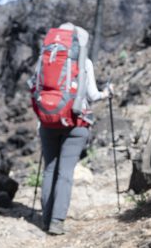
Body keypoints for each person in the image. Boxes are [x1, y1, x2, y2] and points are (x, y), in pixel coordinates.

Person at [33, 23, 112, 235]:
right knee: (65, 172)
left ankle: (45, 218)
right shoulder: (83, 62)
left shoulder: (44, 59)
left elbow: (34, 87)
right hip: (76, 123)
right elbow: (93, 95)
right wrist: (107, 93)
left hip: (48, 121)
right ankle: (57, 222)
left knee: (50, 169)